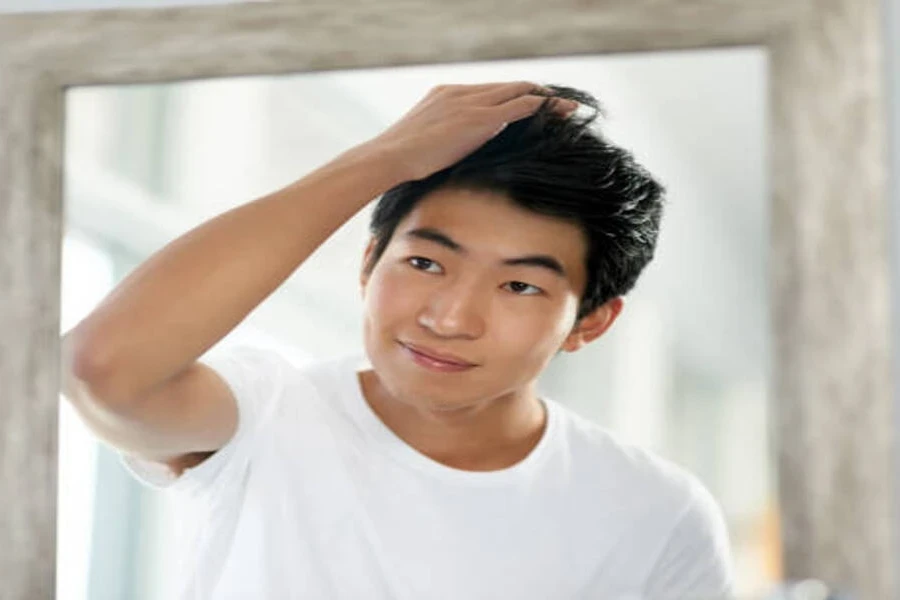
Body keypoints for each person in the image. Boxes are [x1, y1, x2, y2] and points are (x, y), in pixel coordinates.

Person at [61, 81, 734, 599]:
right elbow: (100, 369)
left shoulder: (656, 512)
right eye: (424, 263)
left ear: (590, 322)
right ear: (367, 264)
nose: (449, 318)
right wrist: (382, 158)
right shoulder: (264, 413)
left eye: (520, 287)